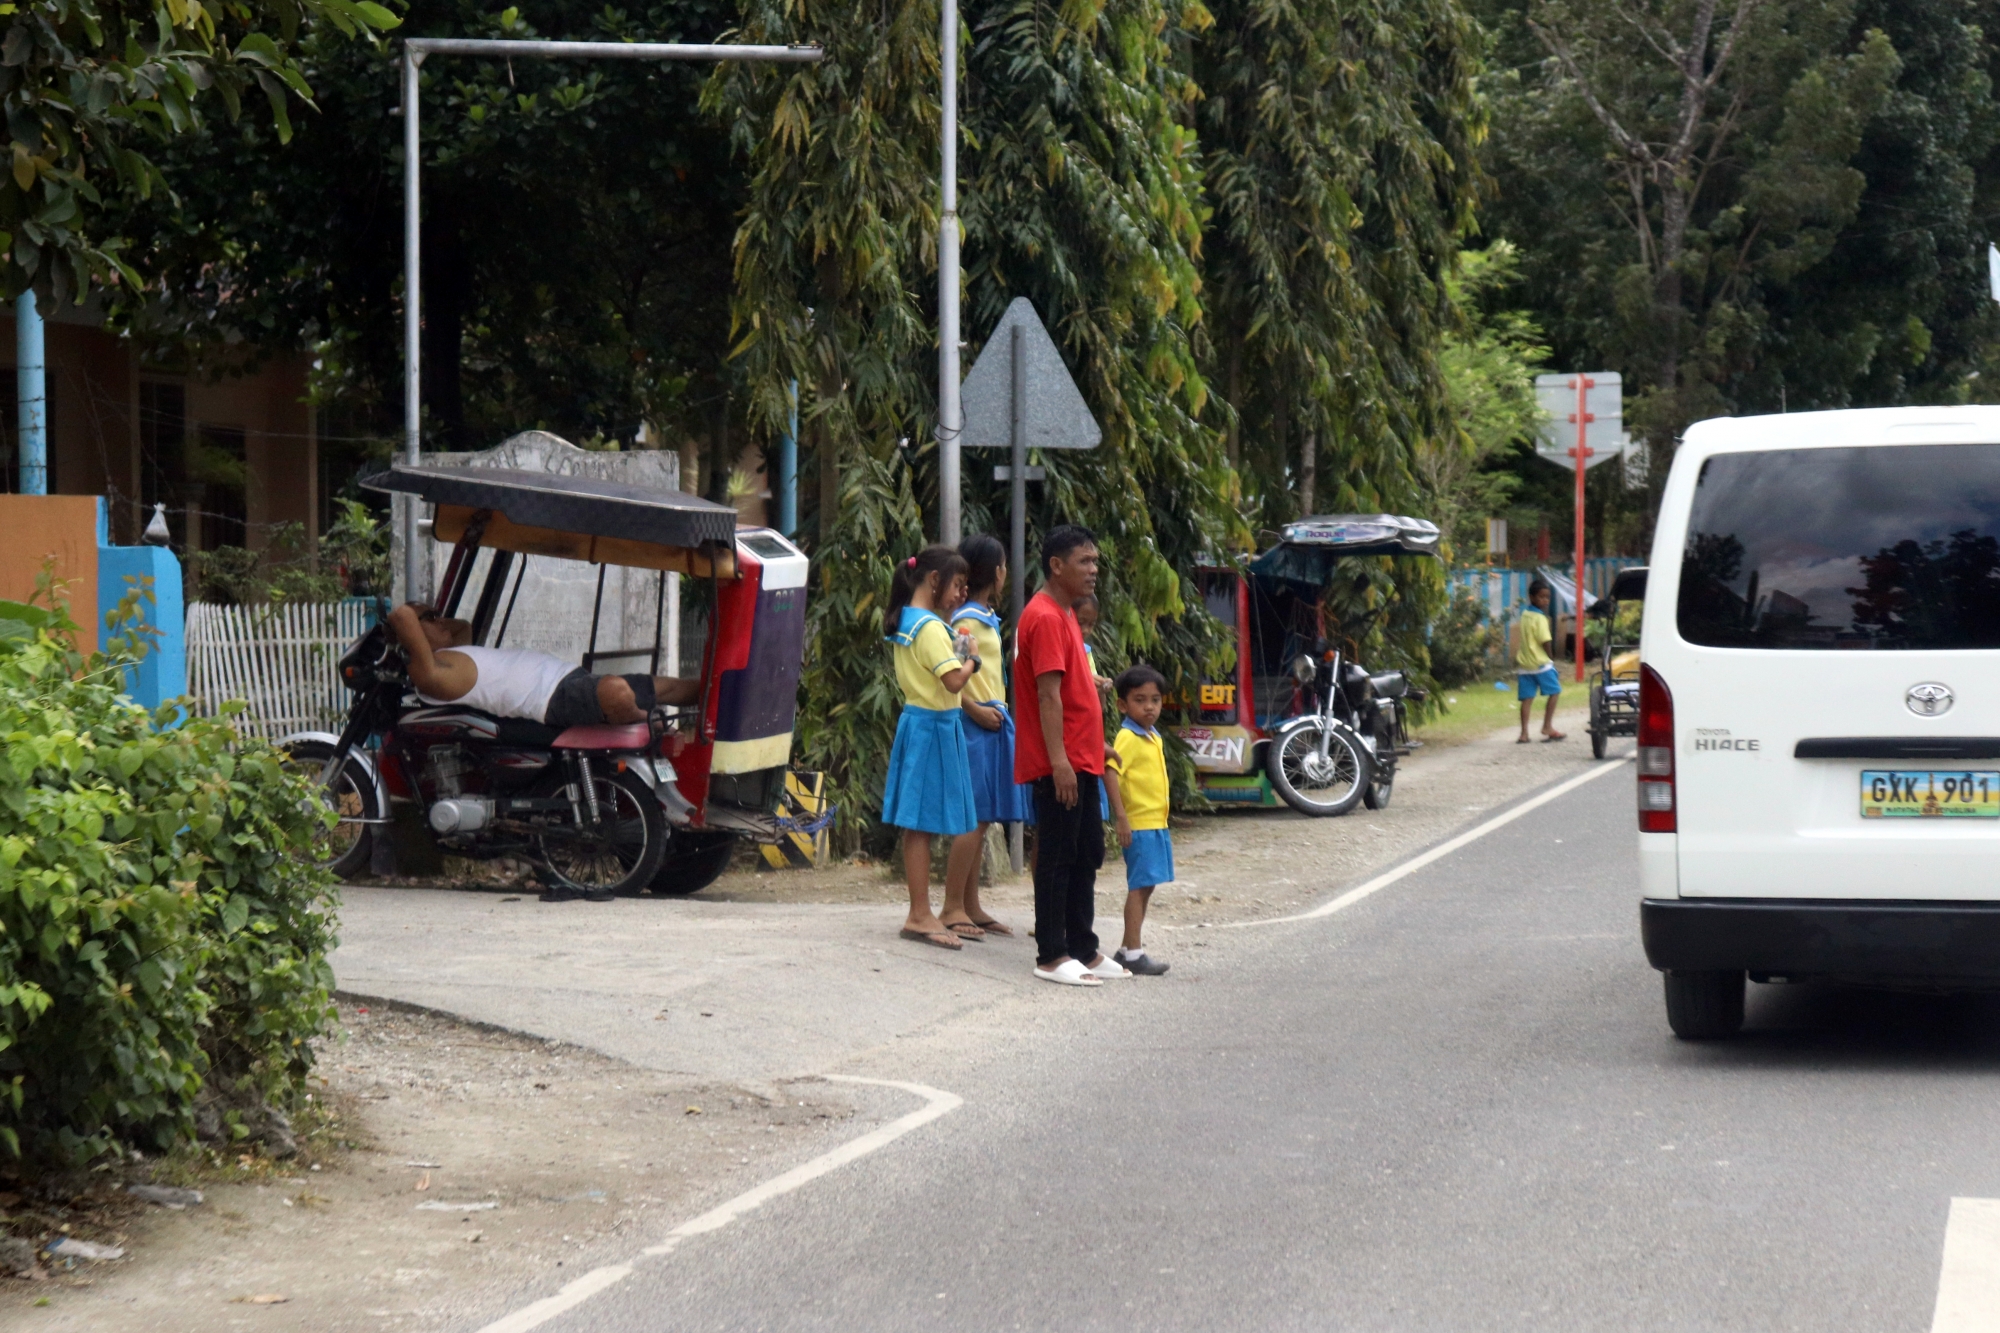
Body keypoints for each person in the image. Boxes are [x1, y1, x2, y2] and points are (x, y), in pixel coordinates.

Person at [1015, 524, 1129, 985]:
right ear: (1056, 565)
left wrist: (1089, 749)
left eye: (1096, 561)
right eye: (1085, 561)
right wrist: (1059, 760)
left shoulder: (1064, 613)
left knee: (1086, 852)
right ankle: (1052, 953)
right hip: (1058, 762)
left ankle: (1084, 946)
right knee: (1059, 855)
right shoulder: (1043, 615)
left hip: (1082, 757)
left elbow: (1075, 691)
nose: (1094, 570)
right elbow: (1048, 696)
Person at [880, 546, 981, 951]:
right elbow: (954, 682)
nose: (961, 594)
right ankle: (919, 914)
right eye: (957, 585)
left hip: (920, 723)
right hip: (934, 726)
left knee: (917, 822)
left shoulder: (908, 619)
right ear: (934, 581)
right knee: (919, 825)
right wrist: (972, 658)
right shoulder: (930, 628)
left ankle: (924, 911)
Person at [386, 601, 702, 728]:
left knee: (672, 686)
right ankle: (649, 724)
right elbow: (400, 614)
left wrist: (431, 620)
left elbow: (460, 625)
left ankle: (733, 696)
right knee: (618, 693)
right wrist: (409, 623)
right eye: (428, 617)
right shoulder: (430, 674)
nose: (441, 620)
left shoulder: (455, 649)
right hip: (551, 700)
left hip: (571, 680)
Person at [942, 535, 1024, 940]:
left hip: (995, 721)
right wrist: (974, 709)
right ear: (996, 571)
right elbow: (954, 675)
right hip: (978, 722)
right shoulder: (966, 620)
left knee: (985, 815)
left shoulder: (985, 616)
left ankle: (970, 905)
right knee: (972, 818)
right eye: (1004, 565)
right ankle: (951, 905)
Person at [1105, 664, 1172, 976]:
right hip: (1139, 823)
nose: (1149, 707)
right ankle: (1134, 952)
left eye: (1155, 700)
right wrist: (1121, 817)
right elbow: (1110, 771)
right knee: (1140, 885)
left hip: (1156, 822)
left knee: (1147, 885)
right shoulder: (1128, 737)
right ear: (1123, 704)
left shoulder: (1151, 735)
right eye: (1140, 700)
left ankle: (1125, 947)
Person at [1516, 579, 1566, 743]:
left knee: (1527, 699)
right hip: (1541, 664)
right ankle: (1547, 726)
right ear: (1532, 597)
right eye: (1541, 597)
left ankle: (1524, 733)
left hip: (1524, 665)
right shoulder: (1540, 618)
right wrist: (1551, 658)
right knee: (1555, 691)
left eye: (1547, 597)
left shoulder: (1524, 615)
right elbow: (1545, 640)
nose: (1545, 600)